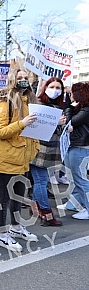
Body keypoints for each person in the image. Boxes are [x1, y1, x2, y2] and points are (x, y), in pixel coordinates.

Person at [0, 68, 39, 252]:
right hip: (7, 160)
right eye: (19, 78)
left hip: (24, 158)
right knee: (4, 198)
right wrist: (22, 123)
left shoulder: (30, 102)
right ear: (12, 80)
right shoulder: (5, 104)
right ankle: (1, 234)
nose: (23, 80)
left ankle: (16, 226)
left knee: (18, 196)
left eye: (26, 77)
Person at [29, 77, 65, 226]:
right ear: (45, 87)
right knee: (41, 181)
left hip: (51, 148)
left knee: (41, 180)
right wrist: (54, 122)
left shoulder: (58, 106)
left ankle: (34, 206)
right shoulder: (37, 104)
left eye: (58, 88)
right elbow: (33, 126)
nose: (55, 90)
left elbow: (59, 130)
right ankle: (46, 212)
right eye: (52, 87)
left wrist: (65, 126)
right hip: (38, 147)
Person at [63, 82, 89, 220]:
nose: (69, 95)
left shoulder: (86, 110)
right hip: (75, 145)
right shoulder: (81, 108)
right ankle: (73, 203)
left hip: (81, 147)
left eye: (71, 92)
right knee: (73, 177)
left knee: (80, 179)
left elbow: (70, 121)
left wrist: (68, 106)